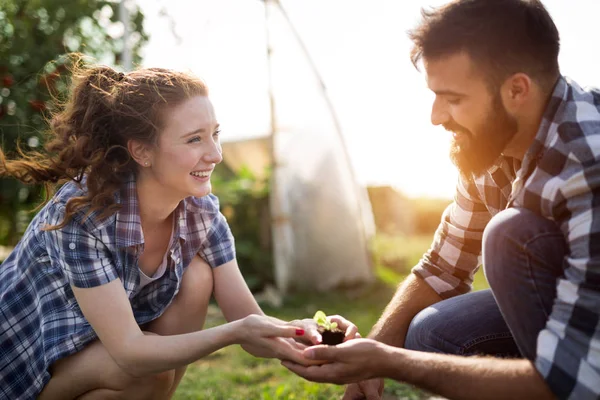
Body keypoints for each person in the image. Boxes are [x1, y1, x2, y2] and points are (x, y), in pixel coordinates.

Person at [283, 1, 600, 399]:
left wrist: (387, 361)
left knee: (510, 235)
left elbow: (579, 380)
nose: (436, 116)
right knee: (432, 330)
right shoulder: (492, 145)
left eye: (452, 98)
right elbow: (443, 269)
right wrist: (371, 357)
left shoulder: (586, 162)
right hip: (577, 308)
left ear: (517, 89)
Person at [0, 59, 358, 400]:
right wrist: (233, 333)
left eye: (215, 134)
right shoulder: (82, 213)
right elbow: (130, 350)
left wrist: (311, 336)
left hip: (101, 351)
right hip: (23, 360)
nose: (216, 154)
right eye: (194, 139)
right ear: (142, 151)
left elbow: (251, 323)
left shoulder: (200, 212)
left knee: (198, 276)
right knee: (145, 369)